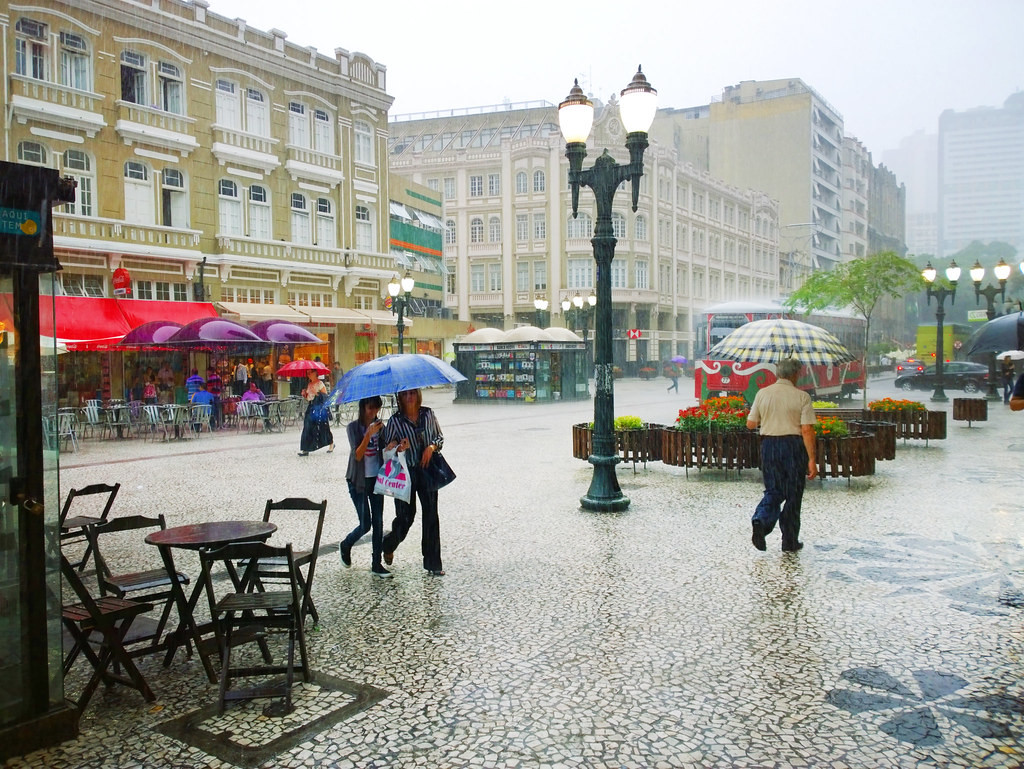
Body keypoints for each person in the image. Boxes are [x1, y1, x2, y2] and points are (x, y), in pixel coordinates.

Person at [746, 358, 817, 552]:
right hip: (793, 448)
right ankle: (789, 541)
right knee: (793, 494)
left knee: (774, 490)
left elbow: (751, 424)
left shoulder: (762, 394)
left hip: (769, 446)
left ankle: (761, 520)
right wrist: (812, 459)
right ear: (795, 374)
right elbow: (807, 430)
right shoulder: (802, 397)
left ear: (778, 373)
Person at [381, 388, 446, 576]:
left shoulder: (428, 414)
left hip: (427, 469)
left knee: (431, 515)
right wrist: (398, 447)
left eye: (412, 393)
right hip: (405, 473)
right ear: (400, 397)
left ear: (418, 395)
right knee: (405, 517)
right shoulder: (395, 421)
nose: (409, 397)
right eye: (405, 394)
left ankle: (433, 563)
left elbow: (439, 437)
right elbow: (387, 448)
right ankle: (388, 544)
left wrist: (431, 447)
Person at [339, 396, 390, 577]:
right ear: (362, 408)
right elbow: (358, 455)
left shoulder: (381, 428)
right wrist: (368, 434)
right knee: (365, 524)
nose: (373, 412)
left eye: (376, 409)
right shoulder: (353, 428)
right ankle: (346, 544)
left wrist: (393, 444)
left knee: (378, 522)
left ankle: (377, 563)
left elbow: (385, 452)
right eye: (370, 408)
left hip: (376, 479)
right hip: (358, 480)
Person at [298, 368, 334, 456]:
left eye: (310, 373)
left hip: (319, 408)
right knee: (307, 426)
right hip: (311, 407)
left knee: (323, 427)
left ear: (315, 373)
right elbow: (309, 398)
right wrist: (304, 395)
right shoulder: (309, 384)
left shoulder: (320, 384)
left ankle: (331, 443)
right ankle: (306, 449)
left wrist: (317, 393)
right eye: (307, 373)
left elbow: (325, 397)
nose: (308, 374)